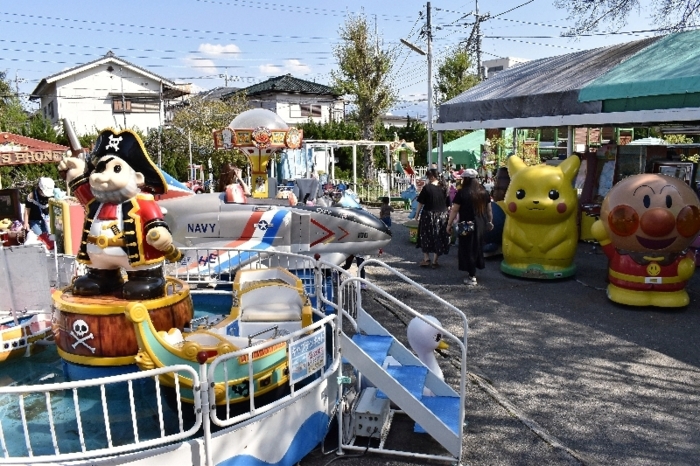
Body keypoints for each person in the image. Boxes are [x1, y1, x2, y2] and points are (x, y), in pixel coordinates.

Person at [58, 128, 179, 300]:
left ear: (137, 178)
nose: (101, 176)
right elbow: (80, 187)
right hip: (99, 261)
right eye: (99, 169)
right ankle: (101, 277)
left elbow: (154, 220)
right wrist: (76, 171)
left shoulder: (142, 201)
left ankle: (150, 278)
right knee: (89, 285)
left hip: (137, 258)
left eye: (115, 169)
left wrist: (160, 233)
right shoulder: (95, 202)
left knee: (141, 286)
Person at [446, 168, 493, 286]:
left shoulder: (462, 192)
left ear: (466, 179)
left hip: (466, 224)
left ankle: (472, 275)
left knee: (467, 248)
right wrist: (490, 221)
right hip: (481, 224)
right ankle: (474, 272)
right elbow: (489, 210)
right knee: (477, 247)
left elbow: (454, 209)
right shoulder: (483, 192)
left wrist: (449, 224)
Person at [415, 168, 451, 268]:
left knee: (425, 236)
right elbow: (448, 205)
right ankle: (435, 261)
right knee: (438, 236)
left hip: (428, 215)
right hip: (442, 215)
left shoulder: (427, 188)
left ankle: (426, 258)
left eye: (428, 176)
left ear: (432, 177)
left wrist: (417, 214)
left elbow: (420, 203)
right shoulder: (444, 187)